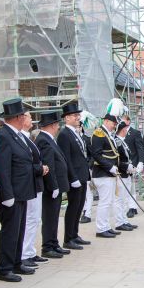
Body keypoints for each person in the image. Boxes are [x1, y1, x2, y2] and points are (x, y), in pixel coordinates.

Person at [0, 98, 39, 282]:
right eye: (23, 115)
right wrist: (7, 194)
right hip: (11, 193)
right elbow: (2, 168)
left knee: (19, 230)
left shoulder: (16, 135)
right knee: (10, 231)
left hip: (22, 191)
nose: (25, 118)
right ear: (18, 117)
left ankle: (16, 262)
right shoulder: (3, 136)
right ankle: (4, 268)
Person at [57, 103, 91, 247]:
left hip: (82, 175)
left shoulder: (75, 133)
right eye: (75, 115)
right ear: (67, 118)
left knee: (79, 206)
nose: (78, 117)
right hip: (75, 177)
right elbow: (66, 159)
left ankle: (75, 234)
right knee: (73, 207)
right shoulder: (64, 134)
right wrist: (73, 177)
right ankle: (68, 238)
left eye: (78, 115)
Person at [34, 111, 67, 260]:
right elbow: (49, 164)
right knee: (49, 217)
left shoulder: (48, 139)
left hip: (55, 185)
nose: (58, 127)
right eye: (57, 124)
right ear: (52, 125)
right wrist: (53, 186)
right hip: (50, 187)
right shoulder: (43, 140)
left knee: (54, 217)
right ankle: (47, 246)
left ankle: (54, 243)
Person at [19, 110, 50, 269]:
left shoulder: (27, 137)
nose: (32, 120)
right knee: (30, 219)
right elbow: (25, 163)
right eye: (30, 117)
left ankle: (30, 251)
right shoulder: (21, 137)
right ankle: (24, 254)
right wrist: (39, 168)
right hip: (29, 183)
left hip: (35, 182)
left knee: (34, 219)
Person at [91, 113, 123, 238]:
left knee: (108, 202)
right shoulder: (99, 133)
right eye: (113, 123)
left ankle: (106, 226)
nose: (114, 126)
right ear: (106, 121)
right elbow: (97, 155)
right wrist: (110, 167)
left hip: (109, 173)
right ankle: (101, 228)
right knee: (104, 202)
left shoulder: (107, 134)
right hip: (102, 173)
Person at [113, 119, 138, 232]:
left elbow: (127, 157)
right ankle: (119, 222)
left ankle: (124, 220)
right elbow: (116, 160)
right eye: (126, 129)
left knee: (124, 199)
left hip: (127, 173)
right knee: (119, 200)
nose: (127, 131)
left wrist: (131, 167)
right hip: (120, 173)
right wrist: (126, 166)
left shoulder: (122, 141)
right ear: (122, 130)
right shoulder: (117, 142)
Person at [122, 114, 144, 218]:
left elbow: (140, 148)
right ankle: (133, 207)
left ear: (128, 121)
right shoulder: (118, 133)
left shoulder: (135, 133)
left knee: (131, 185)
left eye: (123, 121)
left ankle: (132, 207)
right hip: (123, 164)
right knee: (126, 186)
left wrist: (141, 162)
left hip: (133, 162)